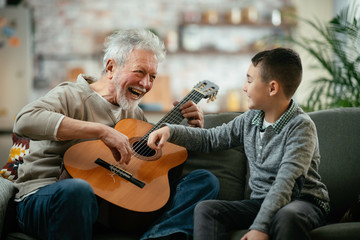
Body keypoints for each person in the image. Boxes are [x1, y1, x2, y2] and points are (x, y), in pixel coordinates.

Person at [12, 29, 219, 240]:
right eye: (139, 72)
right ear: (111, 67)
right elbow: (24, 121)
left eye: (152, 76)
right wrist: (101, 131)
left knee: (205, 180)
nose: (146, 84)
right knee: (77, 191)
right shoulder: (70, 95)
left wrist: (192, 132)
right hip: (46, 197)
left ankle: (158, 236)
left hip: (110, 204)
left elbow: (154, 165)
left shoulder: (133, 112)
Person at [147, 48, 330, 240]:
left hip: (302, 202)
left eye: (249, 80)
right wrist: (171, 130)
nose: (244, 87)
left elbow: (286, 182)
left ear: (272, 88)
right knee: (207, 209)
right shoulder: (249, 118)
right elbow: (211, 139)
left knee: (287, 216)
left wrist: (260, 227)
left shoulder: (301, 127)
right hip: (260, 203)